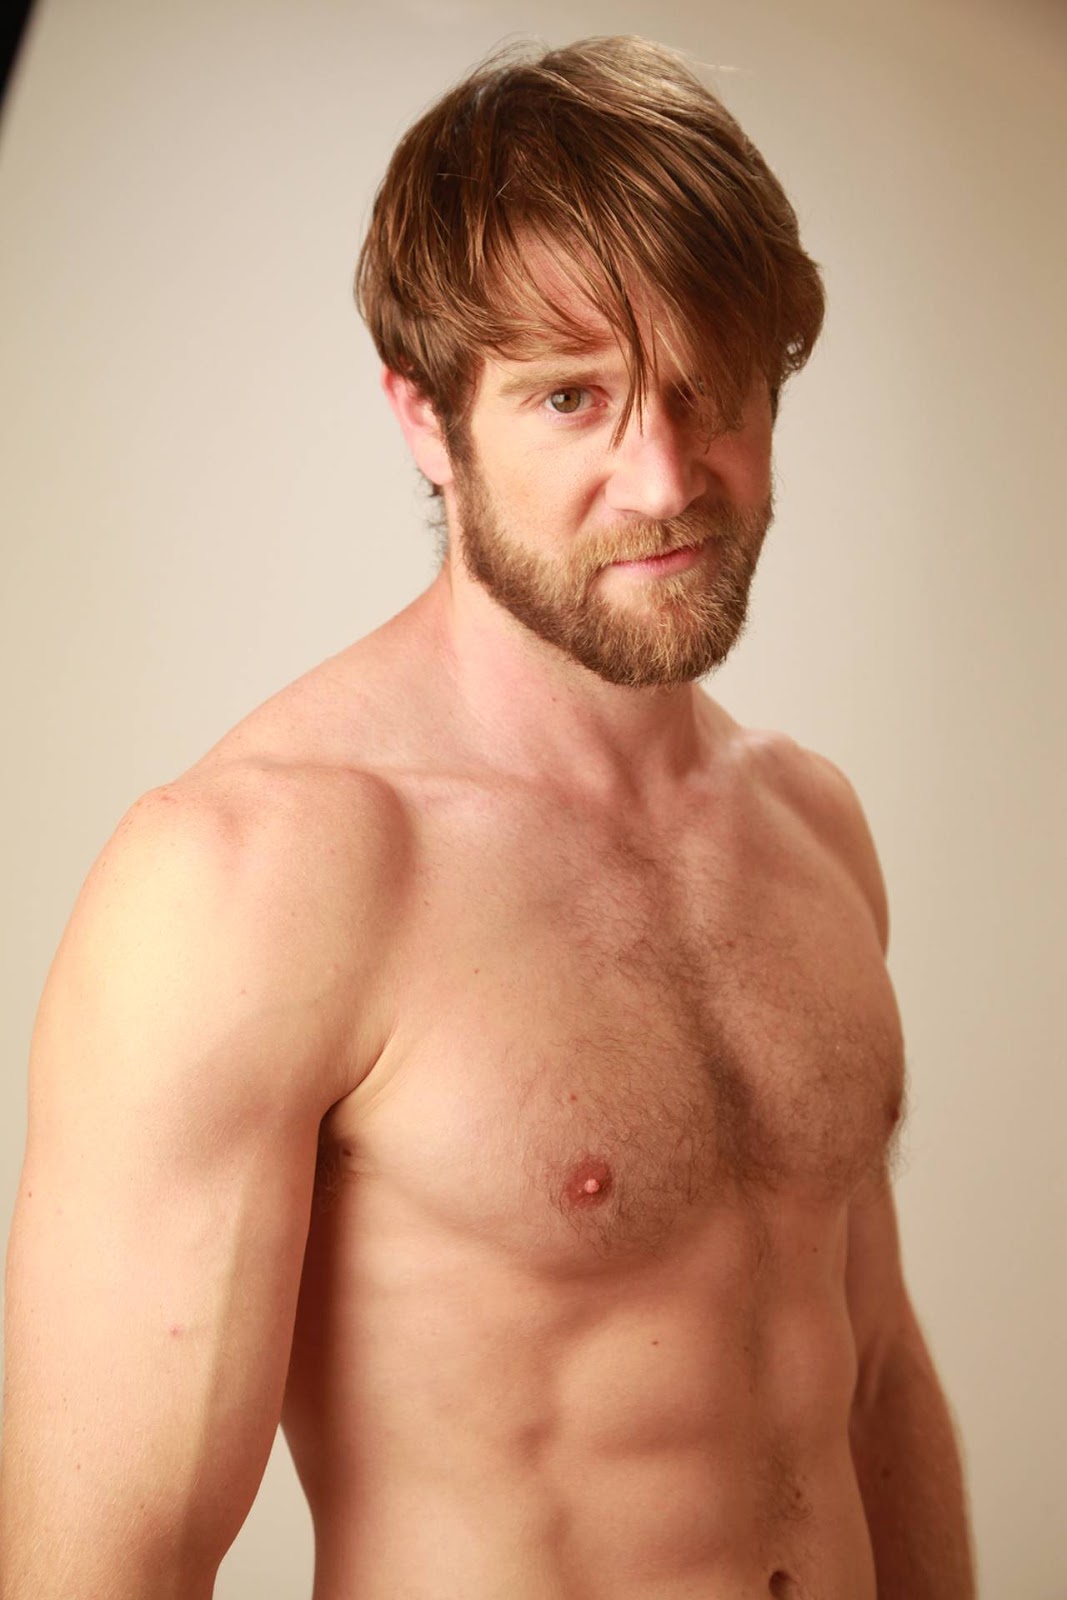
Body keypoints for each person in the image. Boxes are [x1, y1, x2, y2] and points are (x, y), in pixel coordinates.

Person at [0, 34, 975, 1600]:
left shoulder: (810, 827)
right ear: (423, 419)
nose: (662, 477)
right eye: (572, 398)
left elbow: (871, 1384)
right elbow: (109, 1561)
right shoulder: (254, 877)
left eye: (707, 387)